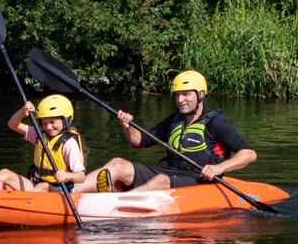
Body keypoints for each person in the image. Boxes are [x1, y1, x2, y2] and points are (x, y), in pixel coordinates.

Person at [76, 70, 257, 193]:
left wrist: (219, 168)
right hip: (171, 173)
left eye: (186, 94)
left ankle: (117, 202)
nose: (180, 100)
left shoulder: (216, 122)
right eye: (177, 95)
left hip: (200, 180)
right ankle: (71, 192)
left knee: (161, 180)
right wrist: (127, 126)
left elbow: (249, 154)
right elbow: (139, 142)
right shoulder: (174, 120)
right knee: (117, 164)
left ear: (200, 95)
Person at [0, 94, 87, 192]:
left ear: (66, 121)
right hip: (36, 184)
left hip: (59, 192)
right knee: (5, 173)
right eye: (44, 123)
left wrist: (68, 175)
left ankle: (11, 203)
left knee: (43, 186)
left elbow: (81, 177)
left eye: (52, 122)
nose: (48, 127)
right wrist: (22, 111)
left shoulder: (69, 144)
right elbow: (13, 124)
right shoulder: (40, 135)